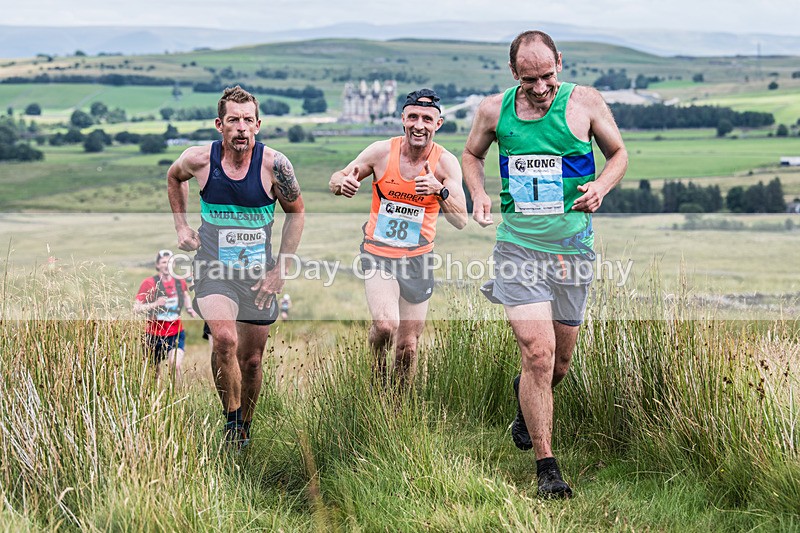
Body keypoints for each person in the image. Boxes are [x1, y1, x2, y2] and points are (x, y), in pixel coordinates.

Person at [462, 30, 628, 498]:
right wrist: (478, 192)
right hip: (518, 247)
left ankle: (526, 395)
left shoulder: (586, 103)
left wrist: (601, 187)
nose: (540, 87)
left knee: (559, 363)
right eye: (530, 78)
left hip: (572, 250)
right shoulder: (494, 110)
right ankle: (547, 468)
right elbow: (472, 154)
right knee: (538, 352)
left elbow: (618, 154)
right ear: (514, 72)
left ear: (560, 62)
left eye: (548, 76)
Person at [167, 85, 305, 447]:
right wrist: (181, 225)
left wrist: (280, 270)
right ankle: (230, 421)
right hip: (213, 269)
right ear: (219, 124)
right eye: (233, 120)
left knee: (252, 361)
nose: (241, 127)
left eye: (247, 120)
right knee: (225, 340)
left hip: (259, 276)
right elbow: (173, 177)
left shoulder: (276, 165)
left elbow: (297, 213)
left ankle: (245, 425)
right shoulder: (199, 160)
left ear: (258, 124)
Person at [329, 88, 468, 389]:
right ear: (403, 119)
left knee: (408, 347)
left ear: (438, 124)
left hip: (418, 259)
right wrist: (344, 183)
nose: (420, 125)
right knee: (385, 325)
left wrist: (439, 190)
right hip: (379, 254)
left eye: (427, 119)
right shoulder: (381, 152)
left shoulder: (446, 164)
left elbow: (460, 220)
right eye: (414, 117)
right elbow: (337, 177)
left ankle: (396, 410)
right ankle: (376, 381)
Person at [134, 249, 198, 381]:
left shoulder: (179, 282)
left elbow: (185, 295)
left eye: (170, 262)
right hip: (153, 333)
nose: (166, 265)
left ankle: (179, 396)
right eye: (163, 262)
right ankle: (155, 396)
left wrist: (189, 308)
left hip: (175, 331)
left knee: (175, 365)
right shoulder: (149, 283)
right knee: (153, 371)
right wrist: (155, 304)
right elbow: (136, 308)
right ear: (158, 265)